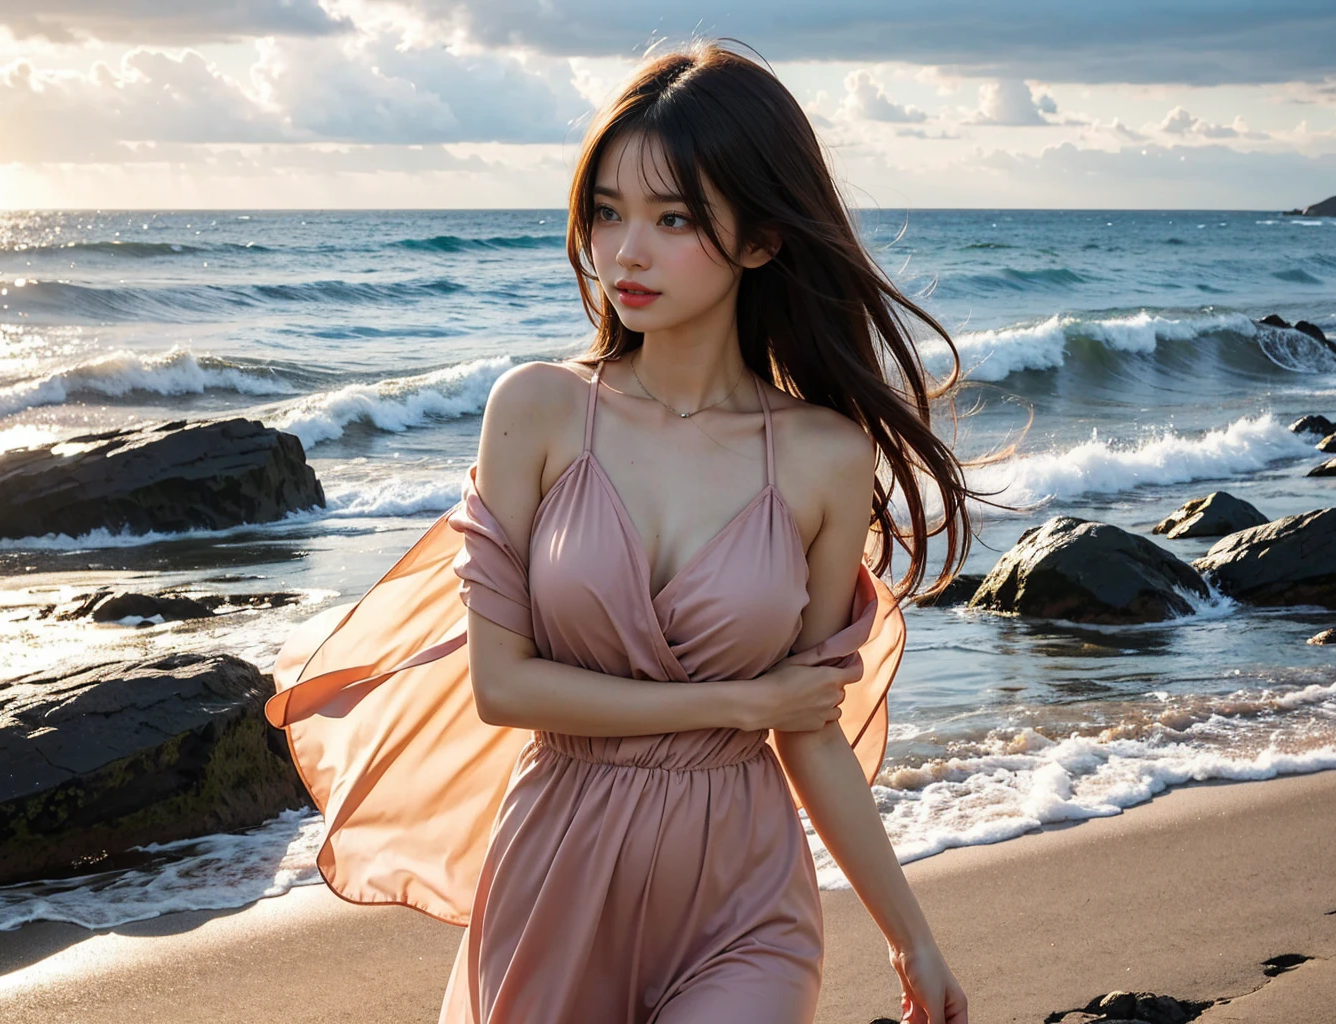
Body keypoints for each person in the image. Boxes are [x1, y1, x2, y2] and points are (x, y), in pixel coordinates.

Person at [267, 38, 981, 1024]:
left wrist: (914, 936)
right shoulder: (541, 412)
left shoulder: (822, 456)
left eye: (673, 218)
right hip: (557, 872)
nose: (625, 252)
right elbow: (503, 685)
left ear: (764, 239)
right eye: (607, 212)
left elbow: (807, 727)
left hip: (743, 898)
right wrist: (738, 701)